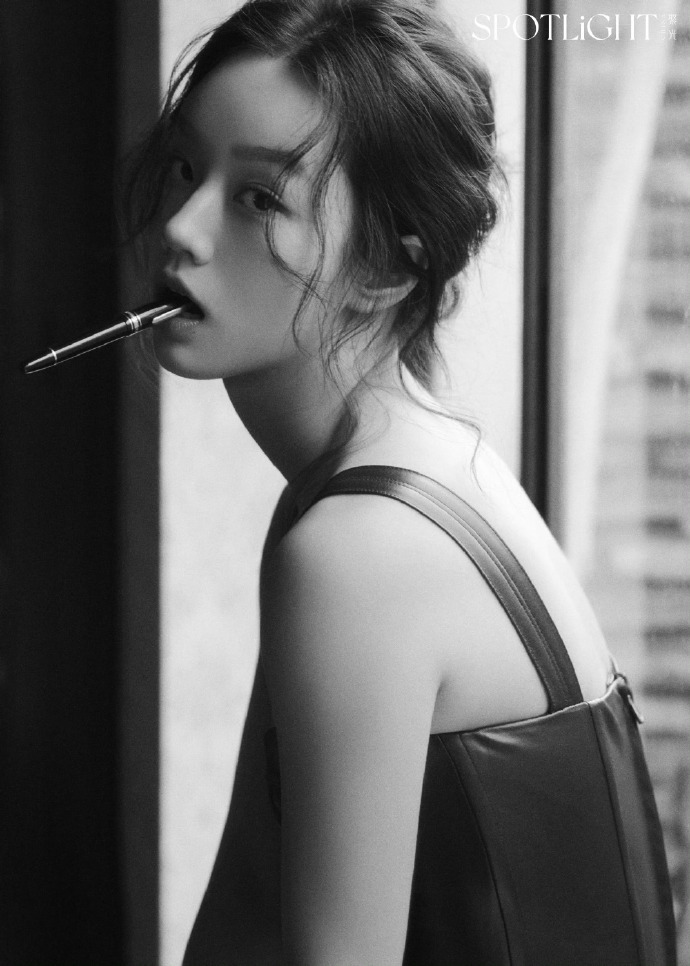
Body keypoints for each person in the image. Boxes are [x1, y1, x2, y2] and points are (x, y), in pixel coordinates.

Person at [125, 1, 676, 963]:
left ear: (386, 265)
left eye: (258, 199)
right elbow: (246, 911)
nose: (180, 227)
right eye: (183, 166)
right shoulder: (401, 477)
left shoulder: (361, 551)